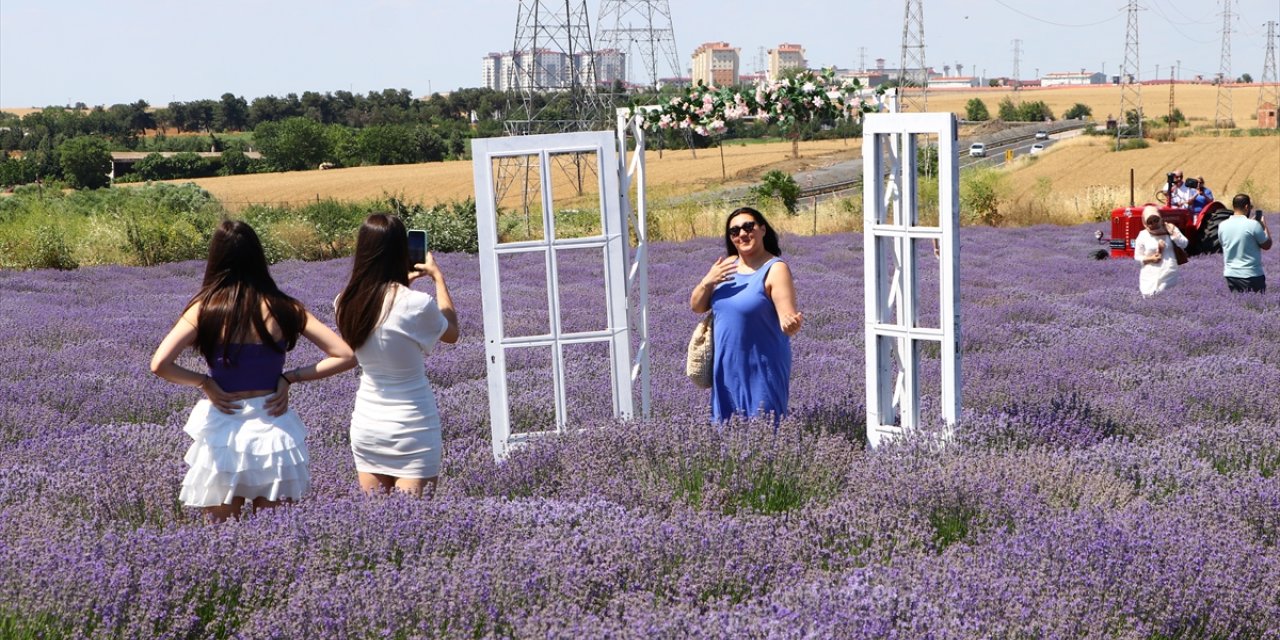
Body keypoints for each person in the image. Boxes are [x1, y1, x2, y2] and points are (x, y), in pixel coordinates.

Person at [150, 220, 356, 522]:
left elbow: (159, 364)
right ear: (258, 257)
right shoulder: (285, 307)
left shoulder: (204, 309)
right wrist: (290, 378)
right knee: (274, 536)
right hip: (272, 426)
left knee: (220, 537)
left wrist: (205, 383)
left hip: (224, 426)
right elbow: (345, 354)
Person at [336, 213, 459, 497]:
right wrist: (437, 278)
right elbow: (451, 333)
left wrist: (403, 287)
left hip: (367, 425)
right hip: (413, 427)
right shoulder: (417, 304)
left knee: (381, 528)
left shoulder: (344, 302)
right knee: (414, 532)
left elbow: (384, 314)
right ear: (400, 252)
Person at [690, 206, 803, 423]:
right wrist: (708, 280)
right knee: (726, 438)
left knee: (765, 433)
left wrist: (791, 324)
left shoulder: (776, 269)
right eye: (734, 231)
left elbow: (786, 317)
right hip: (725, 368)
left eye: (748, 226)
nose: (742, 234)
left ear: (762, 229)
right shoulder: (726, 267)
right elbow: (696, 306)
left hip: (761, 368)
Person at [1219, 194, 1272, 293]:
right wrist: (1264, 226)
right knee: (1256, 307)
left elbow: (1225, 243)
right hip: (1251, 275)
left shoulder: (1222, 225)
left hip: (1230, 275)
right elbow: (1267, 245)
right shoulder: (1253, 225)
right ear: (1247, 207)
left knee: (1235, 306)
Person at [1132, 206, 1188, 297]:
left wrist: (1173, 234)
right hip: (1149, 274)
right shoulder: (1143, 235)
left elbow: (1184, 244)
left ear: (1160, 218)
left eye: (1156, 220)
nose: (1153, 223)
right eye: (1149, 222)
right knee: (1148, 298)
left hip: (1168, 272)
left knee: (1162, 295)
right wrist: (1150, 259)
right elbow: (1137, 257)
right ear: (1145, 223)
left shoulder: (1170, 228)